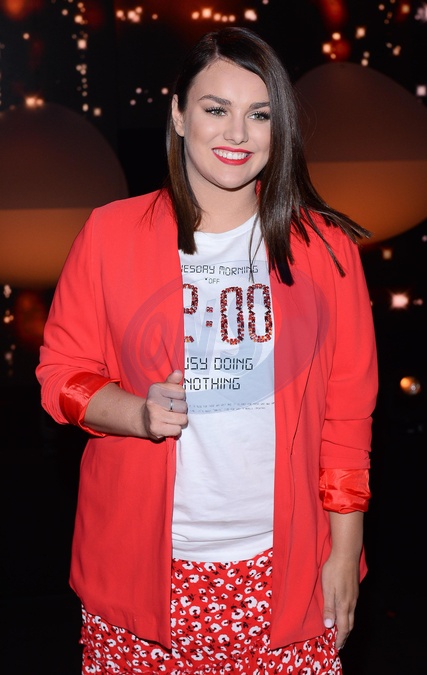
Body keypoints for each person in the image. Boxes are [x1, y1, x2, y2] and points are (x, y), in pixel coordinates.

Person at [36, 26, 378, 675]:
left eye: (260, 115)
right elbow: (60, 375)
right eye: (216, 109)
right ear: (178, 114)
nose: (237, 133)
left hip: (286, 572)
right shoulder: (110, 234)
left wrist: (344, 550)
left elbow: (347, 413)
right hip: (141, 572)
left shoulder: (327, 250)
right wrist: (137, 413)